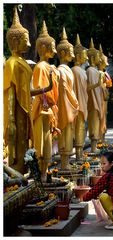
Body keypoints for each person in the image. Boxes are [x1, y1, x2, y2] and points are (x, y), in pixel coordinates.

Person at [4, 7, 33, 174]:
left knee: (24, 143)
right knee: (17, 146)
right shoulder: (11, 63)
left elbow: (26, 91)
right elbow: (10, 91)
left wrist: (45, 89)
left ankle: (23, 173)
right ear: (15, 41)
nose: (28, 44)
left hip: (25, 110)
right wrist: (11, 118)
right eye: (25, 39)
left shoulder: (21, 61)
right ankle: (17, 174)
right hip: (16, 111)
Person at [32, 21, 60, 182]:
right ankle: (40, 177)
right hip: (41, 110)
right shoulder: (41, 67)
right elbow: (39, 90)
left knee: (48, 146)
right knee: (41, 148)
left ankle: (44, 175)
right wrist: (48, 88)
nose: (54, 51)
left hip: (48, 110)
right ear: (42, 48)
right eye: (52, 47)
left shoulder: (49, 67)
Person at [57, 27, 79, 170]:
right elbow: (64, 91)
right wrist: (73, 103)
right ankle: (64, 164)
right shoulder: (61, 70)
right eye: (70, 52)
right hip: (65, 107)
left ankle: (67, 162)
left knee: (69, 134)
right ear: (63, 53)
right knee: (65, 135)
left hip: (71, 106)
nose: (72, 55)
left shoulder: (69, 70)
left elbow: (71, 90)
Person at [71, 34, 88, 160]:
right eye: (84, 55)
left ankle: (80, 152)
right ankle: (78, 154)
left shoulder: (82, 71)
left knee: (82, 128)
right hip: (78, 104)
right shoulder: (75, 70)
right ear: (77, 56)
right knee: (78, 128)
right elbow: (75, 89)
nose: (86, 58)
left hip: (84, 102)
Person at [86, 38, 102, 152]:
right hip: (93, 103)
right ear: (92, 58)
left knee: (96, 125)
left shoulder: (95, 71)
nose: (99, 59)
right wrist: (97, 84)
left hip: (98, 102)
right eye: (97, 57)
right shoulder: (90, 71)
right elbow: (88, 89)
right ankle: (93, 147)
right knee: (93, 125)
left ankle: (95, 146)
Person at [97, 44, 112, 142]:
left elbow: (109, 85)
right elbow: (100, 86)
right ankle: (99, 140)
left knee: (104, 119)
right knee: (100, 119)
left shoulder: (105, 73)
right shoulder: (99, 73)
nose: (107, 63)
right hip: (100, 99)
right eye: (105, 61)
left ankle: (103, 140)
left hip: (104, 99)